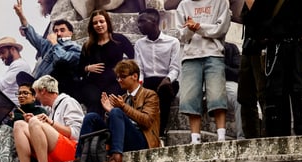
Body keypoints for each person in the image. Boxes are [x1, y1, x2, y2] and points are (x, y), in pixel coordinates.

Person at [244, 0, 302, 137]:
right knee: (277, 92)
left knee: (300, 90)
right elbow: (252, 22)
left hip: (296, 48)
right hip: (276, 49)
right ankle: (279, 132)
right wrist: (267, 36)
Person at [67, 59, 160, 162]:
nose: (119, 80)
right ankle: (79, 160)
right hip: (124, 140)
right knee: (91, 117)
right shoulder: (123, 98)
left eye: (123, 77)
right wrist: (110, 111)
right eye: (118, 77)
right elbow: (114, 128)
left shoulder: (150, 95)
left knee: (116, 112)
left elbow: (147, 121)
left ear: (135, 76)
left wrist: (122, 108)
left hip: (143, 140)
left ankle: (116, 159)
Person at [175, 0, 230, 143]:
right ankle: (195, 139)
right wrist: (191, 29)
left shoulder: (220, 2)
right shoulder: (183, 5)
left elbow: (222, 28)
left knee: (217, 96)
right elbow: (181, 35)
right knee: (190, 98)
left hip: (214, 53)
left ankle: (221, 137)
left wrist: (198, 26)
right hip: (191, 55)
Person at [12, 75, 83, 162]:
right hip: (55, 150)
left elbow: (77, 134)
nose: (36, 97)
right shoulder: (51, 109)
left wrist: (51, 123)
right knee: (19, 125)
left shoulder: (68, 102)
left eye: (36, 93)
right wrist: (34, 121)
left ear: (43, 91)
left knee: (34, 121)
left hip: (72, 151)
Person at [14, 0, 82, 98]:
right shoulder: (48, 45)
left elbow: (62, 59)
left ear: (71, 33)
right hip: (38, 84)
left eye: (62, 30)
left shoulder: (75, 47)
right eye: (56, 31)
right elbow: (32, 35)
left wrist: (54, 43)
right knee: (21, 76)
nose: (58, 33)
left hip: (57, 88)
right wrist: (21, 15)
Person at [134, 8, 181, 139]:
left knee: (164, 92)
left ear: (154, 22)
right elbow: (140, 69)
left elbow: (175, 69)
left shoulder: (173, 42)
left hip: (167, 81)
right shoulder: (139, 44)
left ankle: (160, 134)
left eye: (142, 21)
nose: (139, 25)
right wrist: (140, 85)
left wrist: (168, 79)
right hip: (148, 80)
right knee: (142, 94)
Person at [78, 10, 134, 116]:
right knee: (93, 99)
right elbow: (80, 69)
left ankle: (111, 128)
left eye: (101, 21)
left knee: (110, 99)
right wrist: (88, 68)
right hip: (93, 83)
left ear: (107, 22)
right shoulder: (88, 45)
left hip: (114, 81)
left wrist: (124, 70)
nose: (99, 25)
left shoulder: (119, 39)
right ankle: (95, 130)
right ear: (92, 26)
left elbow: (133, 57)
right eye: (95, 23)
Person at [238, 0, 266, 138]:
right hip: (248, 47)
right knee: (245, 96)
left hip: (263, 47)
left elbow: (259, 13)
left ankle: (268, 135)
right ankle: (250, 136)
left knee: (263, 94)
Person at [0, 36, 33, 103]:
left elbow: (2, 84)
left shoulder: (19, 64)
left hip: (13, 107)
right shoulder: (17, 64)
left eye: (3, 52)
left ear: (13, 49)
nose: (1, 56)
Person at [224, 43, 244, 139]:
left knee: (239, 97)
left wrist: (220, 67)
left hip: (227, 81)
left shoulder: (231, 47)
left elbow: (237, 71)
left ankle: (241, 137)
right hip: (206, 83)